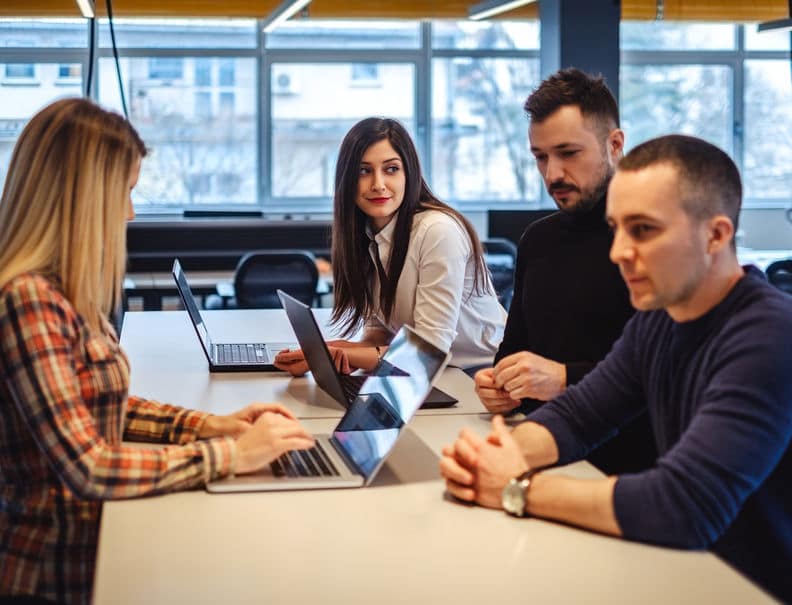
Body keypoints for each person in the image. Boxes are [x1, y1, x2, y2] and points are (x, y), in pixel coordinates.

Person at [440, 134, 792, 602]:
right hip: (672, 570)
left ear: (717, 234)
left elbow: (683, 506)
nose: (618, 251)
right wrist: (496, 455)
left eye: (643, 230)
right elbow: (578, 417)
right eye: (617, 229)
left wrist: (517, 487)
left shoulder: (769, 334)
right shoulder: (658, 321)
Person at [0, 98, 315, 605]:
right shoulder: (29, 301)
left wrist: (212, 425)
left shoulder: (65, 292)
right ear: (82, 197)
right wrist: (230, 455)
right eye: (124, 192)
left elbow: (97, 408)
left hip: (91, 547)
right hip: (52, 572)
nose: (130, 211)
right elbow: (88, 465)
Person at [475, 68, 655, 473]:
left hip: (624, 466)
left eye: (568, 153)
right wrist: (501, 386)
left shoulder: (650, 243)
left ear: (615, 145)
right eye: (540, 157)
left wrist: (564, 378)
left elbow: (665, 373)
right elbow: (513, 350)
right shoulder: (538, 239)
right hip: (537, 448)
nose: (552, 174)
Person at [275, 117, 506, 375]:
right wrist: (336, 354)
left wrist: (346, 352)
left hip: (483, 374)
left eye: (391, 169)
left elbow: (427, 352)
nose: (378, 184)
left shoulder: (438, 231)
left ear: (410, 174)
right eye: (364, 171)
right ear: (347, 180)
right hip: (432, 374)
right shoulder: (367, 234)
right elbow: (381, 331)